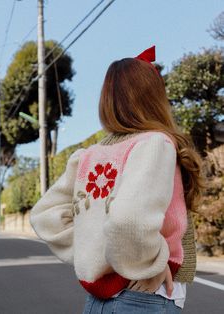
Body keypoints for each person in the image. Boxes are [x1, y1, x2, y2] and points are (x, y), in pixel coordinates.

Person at [29, 46, 206, 313]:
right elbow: (129, 220)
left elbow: (45, 215)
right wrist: (154, 262)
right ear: (155, 97)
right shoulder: (155, 144)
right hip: (145, 298)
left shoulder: (88, 155)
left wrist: (97, 255)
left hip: (98, 304)